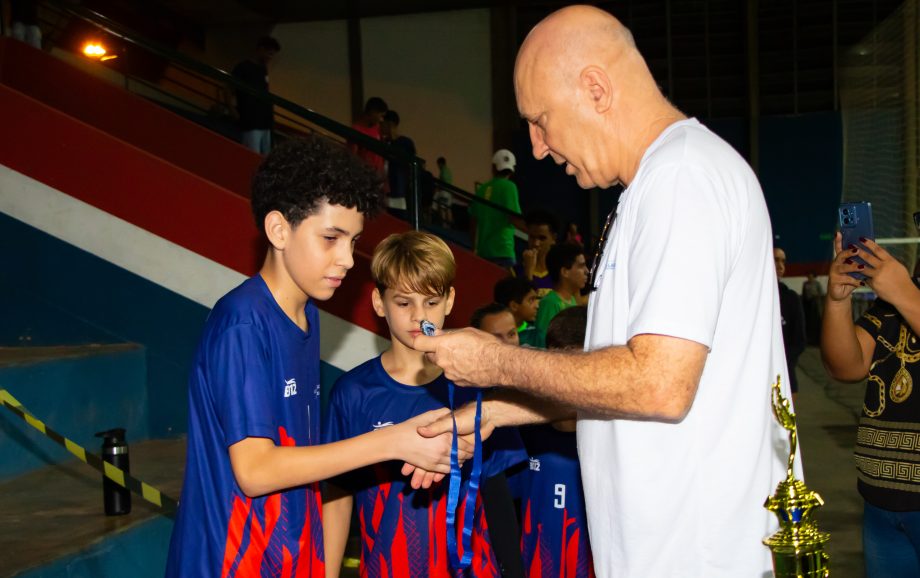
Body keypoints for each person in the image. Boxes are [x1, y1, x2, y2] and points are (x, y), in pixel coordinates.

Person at [409, 6, 794, 577]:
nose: (537, 147)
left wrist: (497, 362)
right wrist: (503, 411)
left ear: (595, 88)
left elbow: (659, 383)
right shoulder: (652, 186)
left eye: (540, 120)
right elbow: (621, 378)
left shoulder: (682, 177)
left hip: (702, 554)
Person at [165, 136, 466, 577]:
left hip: (285, 555)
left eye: (353, 240)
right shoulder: (243, 324)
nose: (347, 259)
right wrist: (392, 440)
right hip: (231, 561)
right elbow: (255, 469)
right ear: (279, 230)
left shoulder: (307, 314)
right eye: (331, 238)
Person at [322, 231, 526, 578]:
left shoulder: (476, 385)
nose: (419, 316)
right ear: (378, 302)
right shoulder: (353, 393)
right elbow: (337, 494)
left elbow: (497, 493)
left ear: (449, 301)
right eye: (404, 303)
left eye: (431, 302)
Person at [820, 233, 920, 578]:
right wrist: (837, 301)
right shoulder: (900, 297)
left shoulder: (905, 293)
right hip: (881, 498)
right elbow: (846, 366)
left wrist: (904, 294)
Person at [507, 306, 594, 578]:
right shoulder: (520, 434)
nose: (575, 386)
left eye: (585, 371)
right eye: (567, 370)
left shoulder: (615, 440)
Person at [470, 149, 524, 271]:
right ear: (511, 170)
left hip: (483, 252)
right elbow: (513, 217)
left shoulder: (481, 189)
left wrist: (474, 247)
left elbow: (473, 221)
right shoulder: (510, 187)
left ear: (494, 167)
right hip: (503, 251)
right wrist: (531, 230)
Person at [231, 36, 281, 154]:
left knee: (266, 155)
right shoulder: (243, 67)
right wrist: (232, 110)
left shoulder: (263, 68)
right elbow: (228, 88)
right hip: (250, 121)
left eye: (272, 55)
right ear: (261, 49)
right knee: (252, 155)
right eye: (269, 54)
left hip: (265, 121)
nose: (270, 57)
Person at [533, 242, 587, 348]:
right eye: (581, 266)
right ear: (565, 272)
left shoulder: (572, 299)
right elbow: (543, 345)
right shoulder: (550, 303)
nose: (587, 271)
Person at [774, 247, 807, 397]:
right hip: (755, 377)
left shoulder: (791, 298)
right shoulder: (750, 297)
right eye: (775, 260)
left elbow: (799, 341)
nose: (780, 265)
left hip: (784, 375)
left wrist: (780, 362)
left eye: (783, 261)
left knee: (783, 420)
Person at [514, 210, 559, 298]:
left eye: (542, 238)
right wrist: (528, 271)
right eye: (532, 237)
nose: (536, 243)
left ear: (553, 238)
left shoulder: (560, 273)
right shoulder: (515, 272)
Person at [381, 110, 416, 218]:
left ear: (390, 124)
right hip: (386, 190)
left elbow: (411, 164)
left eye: (383, 124)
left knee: (400, 220)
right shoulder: (383, 143)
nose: (381, 127)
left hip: (400, 191)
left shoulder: (405, 143)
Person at [493, 276, 541, 347]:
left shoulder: (536, 335)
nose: (537, 306)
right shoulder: (491, 333)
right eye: (531, 300)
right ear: (514, 306)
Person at [350, 97, 389, 175]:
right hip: (365, 174)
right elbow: (352, 155)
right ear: (373, 112)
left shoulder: (378, 127)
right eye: (381, 116)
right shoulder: (356, 129)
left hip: (379, 174)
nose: (382, 120)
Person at [802, 271, 825, 345]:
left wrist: (816, 296)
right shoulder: (805, 284)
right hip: (807, 303)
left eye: (811, 276)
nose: (810, 278)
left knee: (816, 319)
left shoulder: (817, 284)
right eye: (809, 276)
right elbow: (804, 293)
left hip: (815, 303)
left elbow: (821, 293)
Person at [433, 157, 454, 226]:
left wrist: (439, 187)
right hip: (450, 192)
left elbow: (443, 180)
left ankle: (444, 225)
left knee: (442, 208)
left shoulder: (443, 171)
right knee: (448, 208)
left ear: (440, 163)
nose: (438, 166)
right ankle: (450, 225)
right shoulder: (449, 171)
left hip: (444, 191)